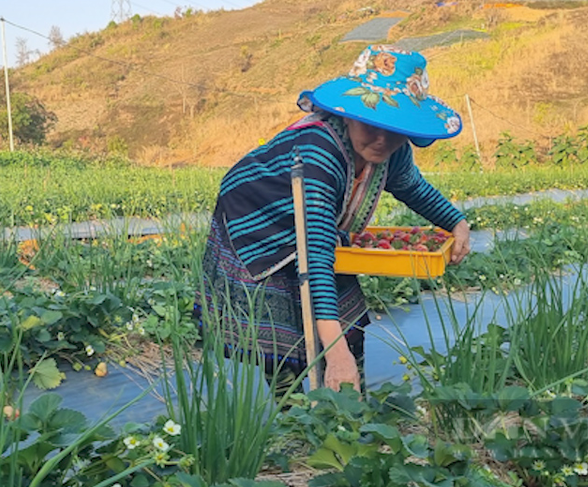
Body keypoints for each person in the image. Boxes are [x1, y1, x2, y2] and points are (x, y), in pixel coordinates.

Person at [194, 44, 471, 395]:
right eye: (372, 123)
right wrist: (335, 353)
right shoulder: (318, 151)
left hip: (315, 227)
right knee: (285, 342)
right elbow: (316, 253)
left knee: (345, 318)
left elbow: (412, 188)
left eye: (395, 127)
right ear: (350, 114)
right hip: (256, 222)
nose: (382, 138)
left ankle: (346, 409)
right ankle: (296, 420)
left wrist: (457, 222)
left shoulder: (392, 148)